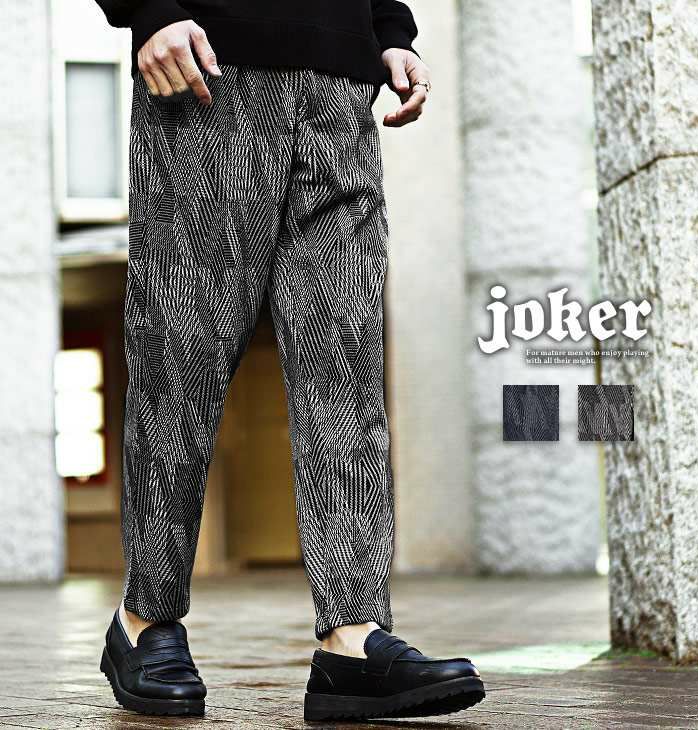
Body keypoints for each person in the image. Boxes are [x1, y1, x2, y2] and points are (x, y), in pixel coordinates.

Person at [93, 0, 485, 720]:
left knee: (346, 366)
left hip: (341, 91)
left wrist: (388, 29)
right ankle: (146, 619)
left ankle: (352, 639)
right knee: (180, 360)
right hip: (208, 70)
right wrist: (147, 6)